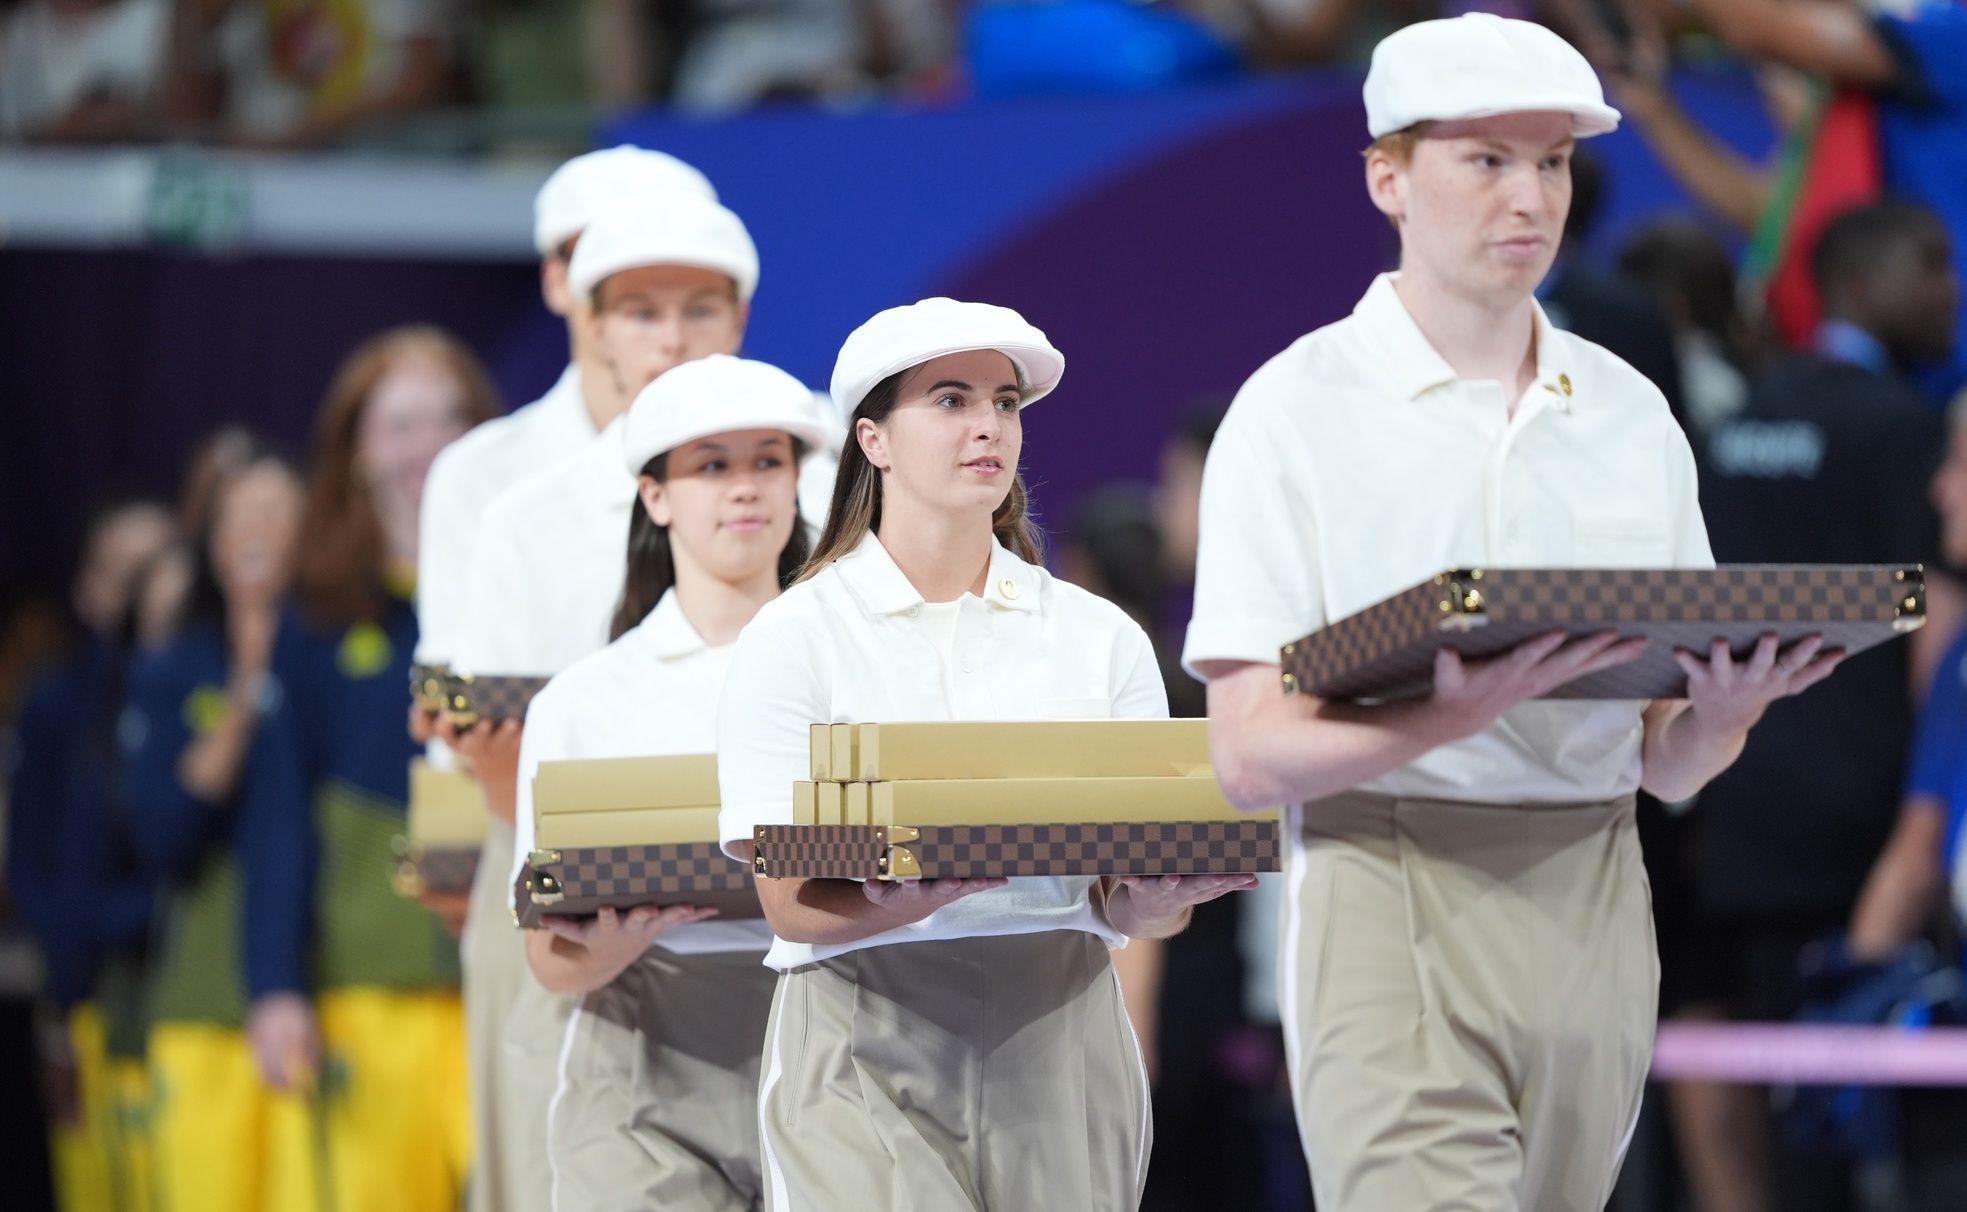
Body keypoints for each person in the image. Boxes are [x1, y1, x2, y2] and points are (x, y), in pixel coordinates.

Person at [1183, 16, 1842, 1209]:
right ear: (1386, 176)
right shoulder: (1294, 411)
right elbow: (1244, 754)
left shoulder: (1628, 413)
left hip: (1595, 876)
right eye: (1485, 160)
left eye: (1551, 162)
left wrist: (1725, 715)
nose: (1527, 196)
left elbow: (1668, 763)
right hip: (1387, 863)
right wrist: (1444, 717)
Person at [718, 298, 1252, 1211]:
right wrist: (911, 898)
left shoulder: (1097, 636)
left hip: (1061, 1027)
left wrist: (1159, 897)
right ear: (873, 439)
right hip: (862, 1020)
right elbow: (786, 902)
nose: (987, 428)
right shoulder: (795, 636)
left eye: (1004, 404)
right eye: (951, 401)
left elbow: (1129, 903)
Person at [408, 146, 718, 1212]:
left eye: (693, 297)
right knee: (543, 1171)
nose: (662, 326)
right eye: (626, 289)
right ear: (565, 285)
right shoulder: (489, 477)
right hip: (537, 863)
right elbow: (453, 716)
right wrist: (457, 885)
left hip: (737, 873)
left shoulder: (789, 449)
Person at [1672, 198, 1959, 1212]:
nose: (1947, 289)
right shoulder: (1900, 426)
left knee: (1765, 1079)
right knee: (1871, 1116)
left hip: (1739, 803)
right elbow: (1938, 618)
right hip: (1869, 821)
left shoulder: (1730, 423)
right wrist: (1934, 797)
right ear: (1851, 284)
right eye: (1928, 264)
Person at [510, 355, 833, 1211]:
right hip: (642, 1060)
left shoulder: (856, 676)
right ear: (655, 496)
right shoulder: (583, 699)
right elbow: (547, 951)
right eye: (710, 465)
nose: (745, 489)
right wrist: (606, 950)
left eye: (768, 461)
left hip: (834, 1042)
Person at [237, 326, 493, 1210]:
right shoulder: (314, 619)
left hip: (508, 975)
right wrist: (273, 984)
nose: (426, 444)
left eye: (449, 417)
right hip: (364, 994)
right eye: (399, 423)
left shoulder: (519, 595)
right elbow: (276, 816)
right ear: (353, 451)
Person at [121, 443, 307, 1212]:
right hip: (202, 993)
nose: (254, 529)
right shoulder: (173, 666)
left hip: (327, 989)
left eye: (274, 510)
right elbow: (161, 830)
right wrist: (244, 679)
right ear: (210, 539)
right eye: (235, 516)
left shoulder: (334, 651)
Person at [6, 496, 175, 1212]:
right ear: (86, 587)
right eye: (118, 570)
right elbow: (32, 858)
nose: (137, 589)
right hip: (84, 986)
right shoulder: (55, 702)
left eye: (155, 567)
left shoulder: (210, 688)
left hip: (191, 980)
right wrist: (71, 948)